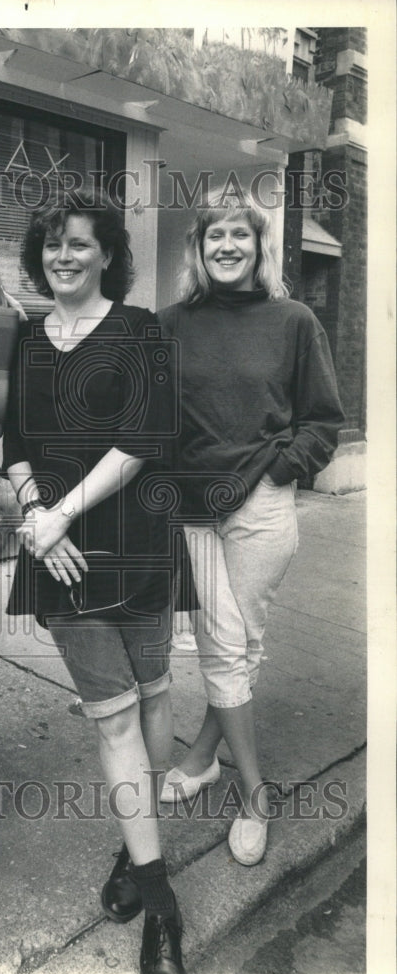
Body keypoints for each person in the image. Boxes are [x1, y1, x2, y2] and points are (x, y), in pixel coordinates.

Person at [3, 188, 185, 974]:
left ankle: (130, 840)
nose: (63, 256)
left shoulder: (139, 328)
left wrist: (59, 514)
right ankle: (162, 903)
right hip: (62, 555)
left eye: (79, 243)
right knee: (112, 719)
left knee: (152, 695)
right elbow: (7, 438)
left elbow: (143, 437)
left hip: (134, 539)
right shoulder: (21, 338)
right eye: (51, 244)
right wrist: (35, 513)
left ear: (108, 252)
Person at [157, 186, 344, 867]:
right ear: (198, 249)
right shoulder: (170, 323)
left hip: (262, 505)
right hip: (192, 509)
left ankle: (208, 757)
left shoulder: (292, 320)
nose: (227, 246)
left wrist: (281, 470)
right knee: (224, 645)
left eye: (240, 235)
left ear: (260, 246)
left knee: (239, 644)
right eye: (214, 236)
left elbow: (323, 419)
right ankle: (255, 793)